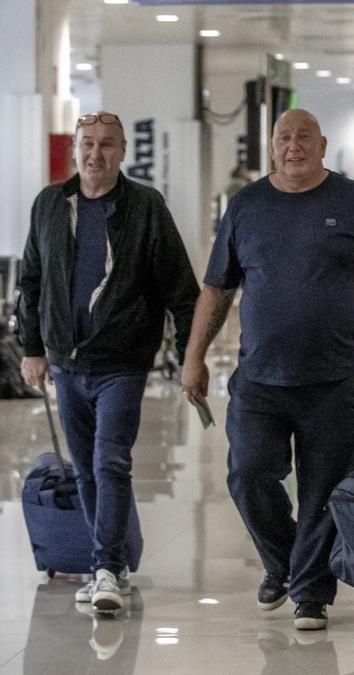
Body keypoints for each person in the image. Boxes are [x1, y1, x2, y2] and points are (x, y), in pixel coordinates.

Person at [180, 109, 354, 632]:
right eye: (283, 138)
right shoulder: (247, 205)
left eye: (304, 137)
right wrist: (193, 356)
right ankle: (284, 563)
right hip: (261, 377)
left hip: (336, 379)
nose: (293, 146)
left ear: (322, 144)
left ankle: (310, 592)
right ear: (271, 147)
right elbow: (217, 289)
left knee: (326, 490)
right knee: (248, 473)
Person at [17, 111, 199, 613]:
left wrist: (191, 357)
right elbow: (31, 281)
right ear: (75, 150)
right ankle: (111, 565)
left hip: (123, 361)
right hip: (67, 362)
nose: (96, 154)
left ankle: (103, 568)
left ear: (123, 152)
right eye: (88, 144)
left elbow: (181, 289)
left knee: (110, 461)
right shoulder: (50, 204)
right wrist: (33, 348)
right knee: (87, 472)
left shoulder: (144, 207)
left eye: (107, 145)